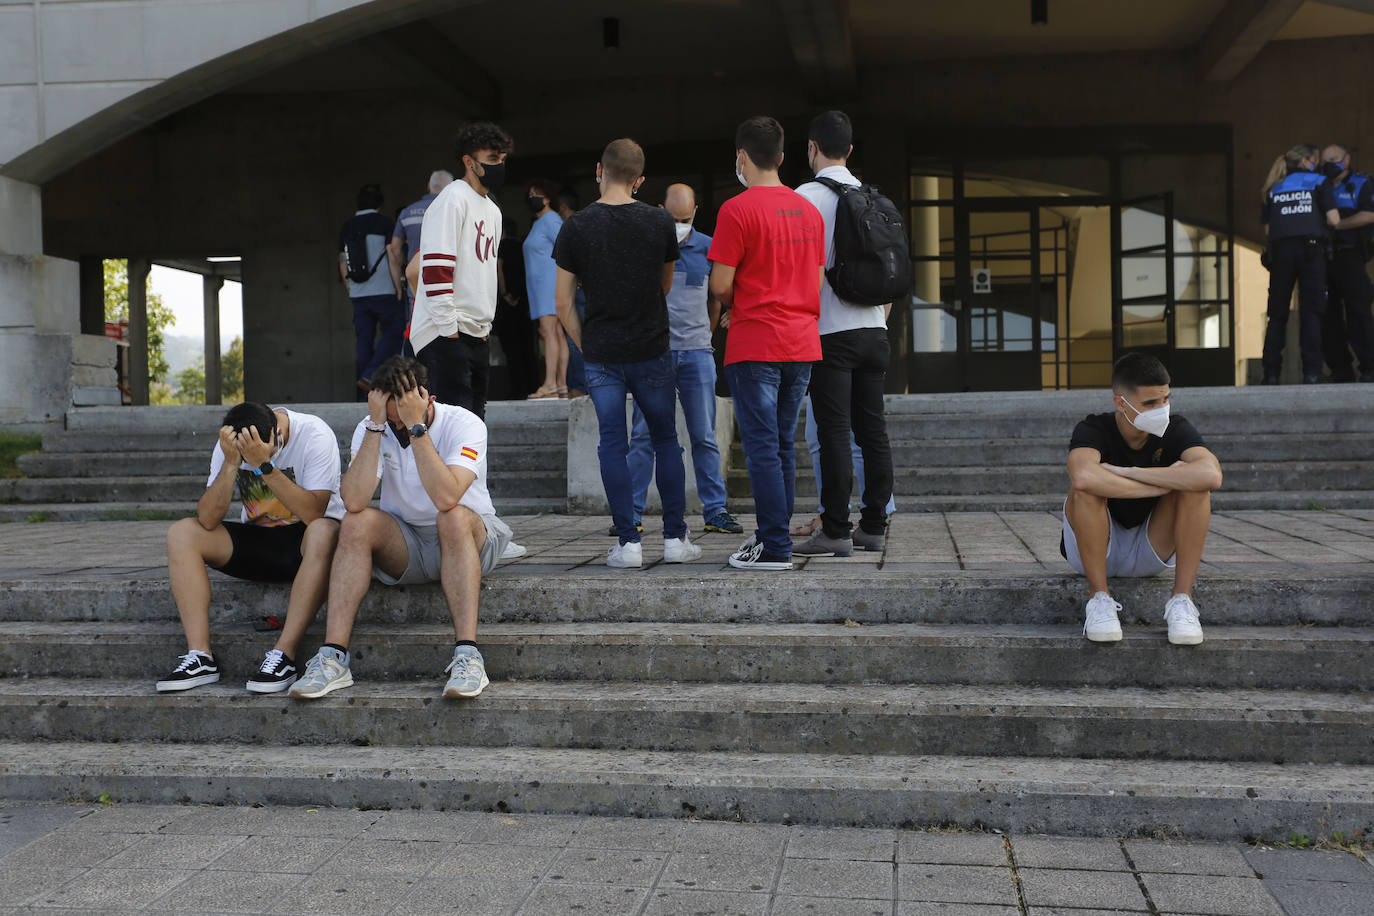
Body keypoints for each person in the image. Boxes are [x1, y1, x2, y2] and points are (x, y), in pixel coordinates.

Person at [291, 356, 512, 700]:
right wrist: (378, 429)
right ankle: (333, 657)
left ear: (429, 399)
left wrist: (416, 428)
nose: (399, 427)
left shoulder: (465, 424)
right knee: (355, 522)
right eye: (390, 419)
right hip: (407, 542)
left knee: (450, 517)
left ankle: (468, 656)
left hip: (470, 537)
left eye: (402, 418)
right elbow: (353, 500)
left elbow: (447, 497)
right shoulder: (373, 426)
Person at [554, 138, 700, 569]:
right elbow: (665, 285)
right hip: (653, 348)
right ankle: (675, 538)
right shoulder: (659, 222)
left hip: (602, 353)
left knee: (612, 444)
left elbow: (562, 303)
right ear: (640, 180)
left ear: (599, 170)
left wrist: (587, 345)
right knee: (666, 441)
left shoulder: (576, 226)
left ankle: (629, 544)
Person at [157, 402, 345, 693]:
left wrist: (264, 465)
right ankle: (200, 656)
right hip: (260, 541)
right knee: (182, 533)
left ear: (278, 434)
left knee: (323, 530)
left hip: (309, 543)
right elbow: (207, 519)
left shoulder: (314, 434)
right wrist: (231, 463)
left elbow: (314, 514)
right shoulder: (231, 444)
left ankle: (284, 654)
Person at [708, 116, 825, 571]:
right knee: (781, 446)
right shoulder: (808, 211)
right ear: (780, 157)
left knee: (761, 448)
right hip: (802, 342)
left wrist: (746, 295)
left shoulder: (736, 210)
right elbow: (815, 280)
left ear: (742, 157)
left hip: (756, 340)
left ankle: (773, 545)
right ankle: (774, 538)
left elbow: (720, 285)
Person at [1063, 353, 1223, 646]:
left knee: (1197, 489)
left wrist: (1133, 472)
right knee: (1084, 491)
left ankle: (1182, 601)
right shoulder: (1094, 428)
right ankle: (1099, 599)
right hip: (1096, 549)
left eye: (1165, 399)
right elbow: (1084, 476)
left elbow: (1211, 475)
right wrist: (1162, 484)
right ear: (1121, 404)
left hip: (1152, 548)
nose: (1161, 409)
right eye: (1150, 403)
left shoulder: (1175, 428)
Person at [792, 110, 894, 557]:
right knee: (873, 431)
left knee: (833, 431)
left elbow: (800, 272)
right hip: (875, 329)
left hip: (830, 331)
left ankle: (835, 529)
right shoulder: (870, 195)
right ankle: (873, 526)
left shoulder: (805, 197)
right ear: (850, 150)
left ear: (811, 148)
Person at [624, 183, 742, 537]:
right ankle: (631, 511)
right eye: (674, 219)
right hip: (653, 353)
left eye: (686, 219)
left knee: (704, 434)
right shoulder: (645, 246)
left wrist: (705, 334)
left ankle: (715, 510)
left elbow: (716, 295)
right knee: (642, 436)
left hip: (696, 353)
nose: (680, 225)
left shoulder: (709, 247)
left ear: (696, 213)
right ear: (660, 210)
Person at [409, 121, 514, 418]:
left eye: (503, 159)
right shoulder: (453, 198)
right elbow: (435, 269)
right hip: (446, 334)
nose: (500, 166)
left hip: (476, 333)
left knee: (473, 427)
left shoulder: (493, 209)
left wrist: (483, 330)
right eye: (492, 159)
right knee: (451, 428)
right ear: (469, 162)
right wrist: (448, 330)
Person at [1260, 144, 1340, 384]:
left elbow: (1268, 230)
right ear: (1307, 161)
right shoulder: (1318, 182)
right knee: (1311, 312)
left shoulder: (1274, 187)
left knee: (1276, 315)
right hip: (1311, 251)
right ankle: (1312, 373)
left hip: (1281, 253)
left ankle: (1271, 374)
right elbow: (1334, 220)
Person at [1318, 144, 1374, 383]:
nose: (1329, 163)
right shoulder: (1319, 184)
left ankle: (1369, 367)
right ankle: (1340, 369)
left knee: (1359, 313)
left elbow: (1370, 214)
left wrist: (1338, 225)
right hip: (1322, 259)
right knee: (1327, 316)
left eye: (1334, 159)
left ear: (1347, 159)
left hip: (1351, 256)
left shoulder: (1362, 183)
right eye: (1325, 160)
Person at [339, 184, 402, 390]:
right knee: (394, 332)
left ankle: (366, 387)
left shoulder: (347, 226)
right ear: (380, 205)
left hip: (358, 293)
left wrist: (349, 287)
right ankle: (370, 375)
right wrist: (397, 286)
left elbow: (342, 260)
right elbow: (393, 256)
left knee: (364, 339)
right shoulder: (385, 223)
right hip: (384, 291)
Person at [389, 170, 454, 336]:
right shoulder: (453, 210)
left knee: (418, 327)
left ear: (428, 187)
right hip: (449, 280)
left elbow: (395, 249)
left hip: (417, 279)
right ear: (451, 187)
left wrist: (405, 263)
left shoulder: (407, 212)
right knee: (448, 327)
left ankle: (417, 361)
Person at [524, 178, 568, 398]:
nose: (533, 198)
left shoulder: (551, 220)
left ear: (548, 197)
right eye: (530, 195)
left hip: (549, 285)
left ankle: (550, 383)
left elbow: (564, 248)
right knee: (556, 333)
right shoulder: (537, 222)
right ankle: (561, 384)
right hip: (540, 286)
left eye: (537, 194)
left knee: (550, 332)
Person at [494, 220, 540, 398]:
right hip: (525, 302)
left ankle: (517, 389)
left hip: (508, 305)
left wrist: (505, 293)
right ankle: (532, 386)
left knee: (512, 351)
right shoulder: (523, 246)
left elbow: (499, 270)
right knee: (527, 348)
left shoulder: (502, 247)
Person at [558, 187, 590, 398]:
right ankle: (578, 385)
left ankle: (578, 386)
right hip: (583, 287)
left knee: (574, 337)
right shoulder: (587, 224)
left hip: (575, 289)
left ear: (563, 207)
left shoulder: (571, 227)